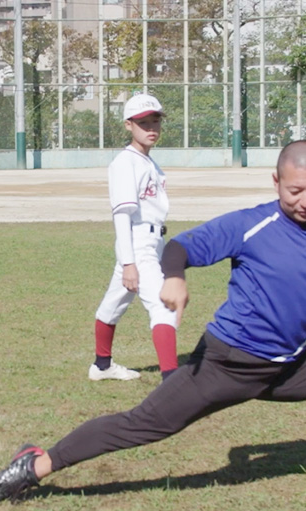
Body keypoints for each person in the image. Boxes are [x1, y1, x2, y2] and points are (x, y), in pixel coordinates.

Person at [0, 140, 306, 507]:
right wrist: (174, 277)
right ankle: (35, 463)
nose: (305, 201)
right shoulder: (252, 224)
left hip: (289, 364)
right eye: (294, 191)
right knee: (143, 424)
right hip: (226, 364)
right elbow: (181, 246)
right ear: (276, 182)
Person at [89, 93, 179, 382]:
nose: (151, 127)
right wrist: (129, 262)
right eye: (143, 122)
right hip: (138, 244)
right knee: (163, 307)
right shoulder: (125, 163)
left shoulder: (147, 163)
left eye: (155, 120)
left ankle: (101, 366)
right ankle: (172, 381)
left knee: (112, 305)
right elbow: (122, 215)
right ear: (129, 125)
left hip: (150, 242)